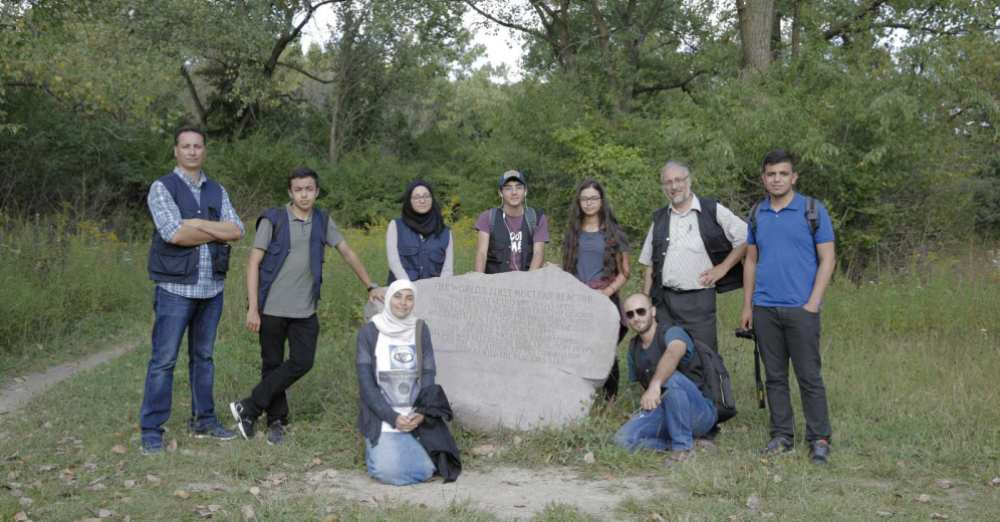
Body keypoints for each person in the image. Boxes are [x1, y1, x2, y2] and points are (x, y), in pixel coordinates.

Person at [230, 166, 385, 445]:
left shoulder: (323, 221)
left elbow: (347, 252)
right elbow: (253, 262)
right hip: (272, 308)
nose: (304, 194)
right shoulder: (273, 219)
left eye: (309, 189)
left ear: (316, 191)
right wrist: (253, 308)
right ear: (290, 192)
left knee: (303, 361)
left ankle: (249, 407)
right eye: (298, 189)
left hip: (305, 309)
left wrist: (370, 285)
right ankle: (277, 421)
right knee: (272, 364)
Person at [140, 126, 244, 454]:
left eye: (197, 146)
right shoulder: (162, 188)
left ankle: (204, 420)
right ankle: (152, 429)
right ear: (176, 151)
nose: (192, 151)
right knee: (164, 360)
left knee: (204, 357)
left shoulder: (216, 190)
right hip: (174, 288)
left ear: (204, 151)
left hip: (211, 288)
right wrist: (215, 231)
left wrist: (196, 224)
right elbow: (173, 234)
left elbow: (237, 229)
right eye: (185, 146)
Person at [739, 149, 836, 464]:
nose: (777, 179)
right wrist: (748, 306)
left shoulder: (812, 210)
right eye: (771, 174)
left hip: (801, 309)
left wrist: (813, 303)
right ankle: (782, 436)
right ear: (763, 178)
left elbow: (828, 259)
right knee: (775, 377)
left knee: (809, 376)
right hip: (765, 308)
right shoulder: (757, 214)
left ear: (793, 177)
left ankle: (819, 439)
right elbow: (751, 261)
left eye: (783, 173)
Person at [639, 161, 747, 353]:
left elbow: (746, 238)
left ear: (688, 181)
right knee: (666, 357)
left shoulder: (711, 209)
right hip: (665, 302)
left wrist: (723, 267)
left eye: (678, 180)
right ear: (663, 187)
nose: (674, 186)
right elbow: (649, 265)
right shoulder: (659, 219)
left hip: (699, 300)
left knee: (704, 356)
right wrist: (645, 302)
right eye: (668, 182)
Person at [614, 294, 718, 465]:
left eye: (641, 311)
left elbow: (673, 354)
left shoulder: (673, 332)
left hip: (698, 411)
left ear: (653, 311)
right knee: (622, 440)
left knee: (671, 379)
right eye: (630, 314)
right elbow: (642, 391)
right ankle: (690, 444)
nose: (636, 318)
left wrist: (655, 385)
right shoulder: (633, 348)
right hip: (664, 411)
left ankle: (682, 449)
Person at [356, 280, 438, 485]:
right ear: (389, 299)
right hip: (383, 417)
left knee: (428, 469)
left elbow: (428, 373)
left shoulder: (420, 329)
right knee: (387, 472)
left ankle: (402, 450)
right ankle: (379, 453)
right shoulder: (370, 332)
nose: (403, 303)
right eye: (398, 297)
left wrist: (421, 411)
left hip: (413, 417)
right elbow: (366, 385)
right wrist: (393, 417)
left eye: (409, 298)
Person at [561, 178, 630, 400]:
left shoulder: (614, 233)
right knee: (577, 350)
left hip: (604, 299)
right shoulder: (573, 233)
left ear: (601, 201)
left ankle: (610, 401)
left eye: (593, 198)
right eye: (584, 199)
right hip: (578, 301)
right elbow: (568, 269)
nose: (589, 203)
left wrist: (607, 293)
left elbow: (625, 272)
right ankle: (579, 397)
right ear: (579, 202)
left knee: (606, 351)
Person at [474, 170, 550, 273]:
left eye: (519, 187)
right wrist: (479, 280)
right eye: (508, 188)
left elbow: (538, 253)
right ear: (500, 193)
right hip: (495, 283)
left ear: (525, 191)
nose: (514, 192)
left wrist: (529, 283)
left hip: (526, 281)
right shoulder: (487, 217)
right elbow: (481, 254)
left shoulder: (536, 218)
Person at [385, 180, 454, 284]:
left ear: (432, 199)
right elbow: (394, 262)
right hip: (402, 295)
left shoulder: (445, 232)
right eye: (417, 197)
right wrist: (409, 288)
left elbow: (447, 270)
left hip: (433, 294)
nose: (422, 201)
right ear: (409, 201)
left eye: (426, 196)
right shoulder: (395, 226)